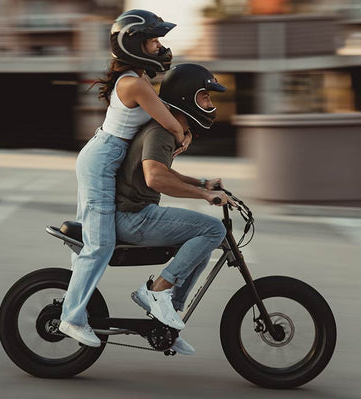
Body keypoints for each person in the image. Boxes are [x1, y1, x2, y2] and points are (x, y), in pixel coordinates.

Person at [59, 9, 192, 347]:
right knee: (99, 244)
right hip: (102, 161)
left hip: (104, 157)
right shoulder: (135, 85)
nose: (159, 47)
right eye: (152, 41)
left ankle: (79, 306)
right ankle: (71, 318)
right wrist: (183, 133)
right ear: (132, 45)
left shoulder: (138, 79)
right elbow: (169, 122)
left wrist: (179, 131)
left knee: (92, 242)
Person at [114, 63, 234, 354]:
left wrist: (203, 183)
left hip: (137, 215)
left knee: (206, 242)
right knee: (213, 229)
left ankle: (167, 322)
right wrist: (203, 196)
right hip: (133, 217)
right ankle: (156, 291)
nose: (210, 104)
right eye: (205, 97)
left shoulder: (169, 129)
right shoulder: (161, 131)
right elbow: (155, 177)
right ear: (186, 97)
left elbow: (163, 172)